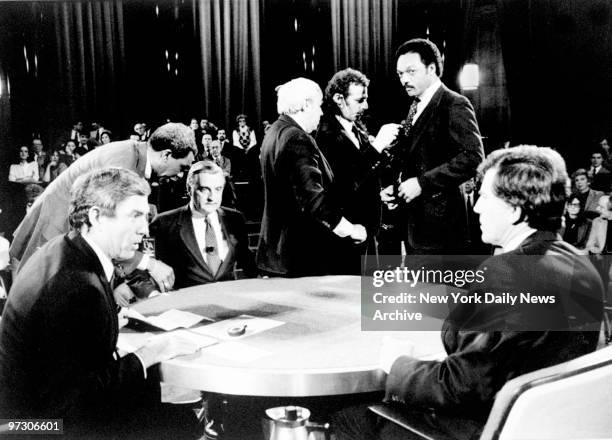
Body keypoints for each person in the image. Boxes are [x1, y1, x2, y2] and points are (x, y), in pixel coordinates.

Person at [332, 145, 603, 440]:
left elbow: (461, 387)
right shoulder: (581, 266)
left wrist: (398, 364)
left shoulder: (506, 275)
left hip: (474, 429)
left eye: (484, 198)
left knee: (345, 418)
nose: (475, 208)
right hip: (547, 427)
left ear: (514, 211)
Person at [0, 168, 202, 439]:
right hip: (43, 427)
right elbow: (82, 402)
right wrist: (150, 353)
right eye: (135, 216)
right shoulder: (78, 286)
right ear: (96, 217)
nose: (144, 229)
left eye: (146, 216)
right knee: (182, 424)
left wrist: (108, 320)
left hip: (26, 415)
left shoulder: (62, 248)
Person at [10, 123, 196, 292]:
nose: (180, 173)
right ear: (166, 155)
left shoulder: (132, 153)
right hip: (57, 228)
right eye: (182, 167)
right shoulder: (124, 162)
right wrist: (150, 264)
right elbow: (109, 232)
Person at [382, 38, 484, 254]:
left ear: (432, 68)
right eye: (400, 74)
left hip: (442, 230)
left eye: (411, 71)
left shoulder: (454, 103)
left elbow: (473, 157)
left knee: (439, 289)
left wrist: (421, 183)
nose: (404, 80)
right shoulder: (415, 105)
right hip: (417, 227)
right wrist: (396, 187)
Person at [257, 77, 367, 277]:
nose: (322, 112)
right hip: (298, 255)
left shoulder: (274, 132)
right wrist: (351, 229)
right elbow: (314, 200)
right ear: (306, 105)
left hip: (276, 252)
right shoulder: (298, 138)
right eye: (318, 106)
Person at [315, 68, 400, 273]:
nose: (366, 105)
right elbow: (344, 183)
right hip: (345, 239)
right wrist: (377, 145)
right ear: (338, 98)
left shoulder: (356, 129)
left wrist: (380, 194)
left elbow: (362, 176)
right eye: (360, 100)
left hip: (366, 235)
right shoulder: (324, 135)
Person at [149, 160, 256, 288]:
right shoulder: (163, 223)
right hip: (186, 303)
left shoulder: (235, 219)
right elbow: (149, 269)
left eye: (218, 189)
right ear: (189, 189)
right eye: (204, 189)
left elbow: (246, 261)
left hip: (228, 300)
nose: (212, 197)